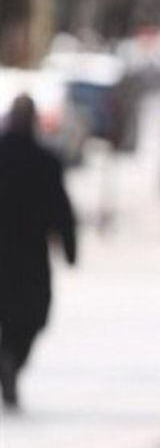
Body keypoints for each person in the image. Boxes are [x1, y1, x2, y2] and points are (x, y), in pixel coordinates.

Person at [0, 95, 77, 410]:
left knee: (28, 316)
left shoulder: (45, 160)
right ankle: (12, 360)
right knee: (31, 316)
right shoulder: (45, 160)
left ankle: (9, 361)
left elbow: (60, 206)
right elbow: (62, 210)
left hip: (23, 251)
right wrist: (70, 247)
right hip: (30, 256)